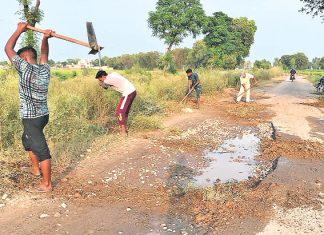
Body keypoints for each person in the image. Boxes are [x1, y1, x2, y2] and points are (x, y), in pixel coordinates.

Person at [4, 22, 53, 192]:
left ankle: (46, 184)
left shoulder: (24, 68)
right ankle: (34, 168)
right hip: (43, 115)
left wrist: (19, 29)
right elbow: (45, 53)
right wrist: (45, 38)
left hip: (31, 118)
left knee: (42, 150)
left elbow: (7, 48)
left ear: (23, 58)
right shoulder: (44, 69)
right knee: (26, 140)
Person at [96, 70, 136, 135]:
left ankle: (123, 132)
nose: (101, 81)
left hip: (128, 93)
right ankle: (124, 129)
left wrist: (100, 83)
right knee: (124, 112)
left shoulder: (107, 80)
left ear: (103, 76)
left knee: (120, 111)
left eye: (100, 79)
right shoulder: (113, 74)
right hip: (132, 91)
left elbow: (104, 87)